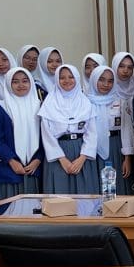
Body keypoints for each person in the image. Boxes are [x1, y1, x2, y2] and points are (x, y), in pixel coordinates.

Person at [39, 64, 98, 194]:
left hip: (81, 152)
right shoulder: (49, 103)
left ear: (77, 78)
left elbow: (92, 133)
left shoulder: (85, 102)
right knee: (60, 195)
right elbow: (47, 134)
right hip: (58, 154)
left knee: (84, 194)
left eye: (71, 77)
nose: (67, 81)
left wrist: (82, 157)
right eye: (62, 77)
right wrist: (62, 159)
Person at [0, 67, 44, 198]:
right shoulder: (0, 107)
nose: (20, 85)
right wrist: (11, 161)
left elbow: (46, 137)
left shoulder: (40, 106)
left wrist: (38, 159)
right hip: (8, 169)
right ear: (8, 84)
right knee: (8, 212)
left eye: (25, 81)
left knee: (33, 212)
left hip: (33, 168)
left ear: (31, 83)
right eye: (15, 81)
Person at [87, 65, 134, 195]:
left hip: (115, 147)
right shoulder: (85, 103)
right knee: (96, 185)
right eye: (101, 80)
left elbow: (126, 130)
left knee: (116, 186)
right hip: (93, 150)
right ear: (94, 80)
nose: (106, 84)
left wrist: (127, 158)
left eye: (110, 81)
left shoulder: (120, 101)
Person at [112, 51, 134, 194]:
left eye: (130, 67)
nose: (125, 71)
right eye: (121, 66)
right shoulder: (107, 90)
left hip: (132, 145)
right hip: (112, 143)